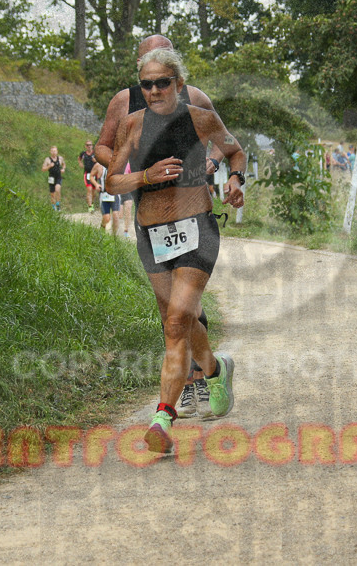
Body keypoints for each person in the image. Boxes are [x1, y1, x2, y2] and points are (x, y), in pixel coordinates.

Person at [105, 48, 246, 453]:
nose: (153, 91)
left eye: (162, 83)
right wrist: (143, 176)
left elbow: (234, 150)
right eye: (146, 84)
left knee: (176, 321)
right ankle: (217, 369)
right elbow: (112, 182)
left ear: (179, 85)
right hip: (152, 235)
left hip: (197, 228)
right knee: (177, 319)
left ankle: (163, 417)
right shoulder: (131, 125)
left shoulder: (201, 119)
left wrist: (235, 180)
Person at [96, 34, 222, 418]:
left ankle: (193, 383)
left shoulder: (195, 98)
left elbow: (221, 138)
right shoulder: (124, 102)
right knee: (169, 307)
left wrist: (213, 164)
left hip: (192, 209)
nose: (154, 86)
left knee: (186, 309)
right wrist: (133, 166)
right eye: (146, 69)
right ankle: (208, 371)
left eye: (162, 66)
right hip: (149, 211)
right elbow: (103, 148)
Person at [89, 161, 121, 235]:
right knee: (106, 218)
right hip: (104, 194)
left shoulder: (117, 164)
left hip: (115, 194)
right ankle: (101, 232)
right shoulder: (98, 165)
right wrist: (96, 184)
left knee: (116, 216)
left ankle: (114, 237)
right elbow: (91, 176)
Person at [41, 146, 65, 210]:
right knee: (52, 194)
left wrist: (63, 169)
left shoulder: (60, 158)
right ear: (50, 152)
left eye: (55, 151)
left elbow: (63, 164)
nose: (54, 152)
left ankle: (58, 204)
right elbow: (43, 169)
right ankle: (53, 207)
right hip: (51, 178)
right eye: (52, 151)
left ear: (57, 151)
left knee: (57, 190)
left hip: (58, 177)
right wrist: (49, 166)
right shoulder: (47, 159)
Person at [78, 140, 98, 213]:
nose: (89, 146)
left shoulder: (95, 153)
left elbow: (99, 161)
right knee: (89, 189)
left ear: (92, 146)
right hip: (87, 173)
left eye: (90, 145)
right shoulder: (83, 154)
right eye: (87, 145)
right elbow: (79, 158)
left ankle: (92, 204)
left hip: (94, 174)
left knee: (93, 191)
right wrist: (80, 163)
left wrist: (95, 160)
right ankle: (90, 206)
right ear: (85, 146)